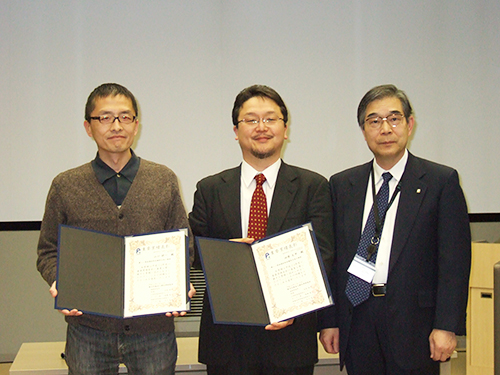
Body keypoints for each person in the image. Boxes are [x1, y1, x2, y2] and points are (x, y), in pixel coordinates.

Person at [36, 83, 195, 375]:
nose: (116, 126)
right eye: (105, 117)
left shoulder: (163, 179)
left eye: (125, 117)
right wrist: (60, 280)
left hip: (152, 330)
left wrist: (180, 280)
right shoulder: (65, 184)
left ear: (136, 125)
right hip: (88, 329)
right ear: (88, 126)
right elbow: (48, 251)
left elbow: (184, 245)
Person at [318, 84, 471, 374]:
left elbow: (454, 263)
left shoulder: (440, 181)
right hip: (358, 317)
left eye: (394, 118)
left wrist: (447, 326)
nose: (384, 129)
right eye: (374, 121)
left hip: (416, 323)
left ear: (410, 124)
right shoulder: (342, 185)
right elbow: (333, 259)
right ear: (363, 130)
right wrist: (330, 320)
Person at [189, 84, 334, 375]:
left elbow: (323, 255)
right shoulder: (210, 189)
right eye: (251, 120)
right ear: (235, 130)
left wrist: (293, 307)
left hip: (290, 338)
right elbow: (194, 253)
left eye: (270, 119)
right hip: (226, 340)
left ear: (285, 128)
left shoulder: (312, 187)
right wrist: (227, 255)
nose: (261, 127)